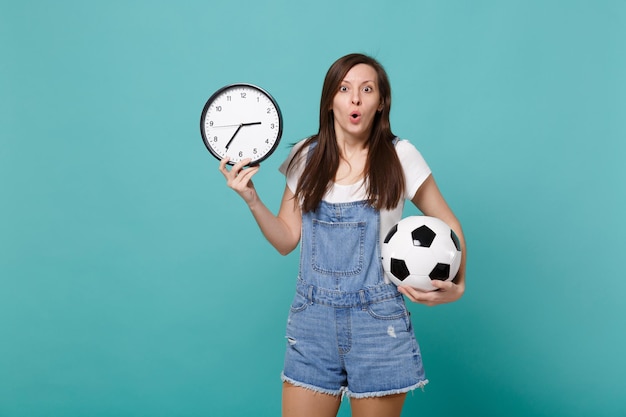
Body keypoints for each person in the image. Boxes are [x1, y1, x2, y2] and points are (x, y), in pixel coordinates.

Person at [219, 53, 466, 417]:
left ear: (380, 102)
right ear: (330, 100)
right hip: (312, 320)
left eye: (367, 89)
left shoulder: (401, 156)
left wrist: (457, 285)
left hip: (378, 323)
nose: (355, 98)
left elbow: (449, 223)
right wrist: (251, 198)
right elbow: (287, 239)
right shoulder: (305, 157)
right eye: (344, 88)